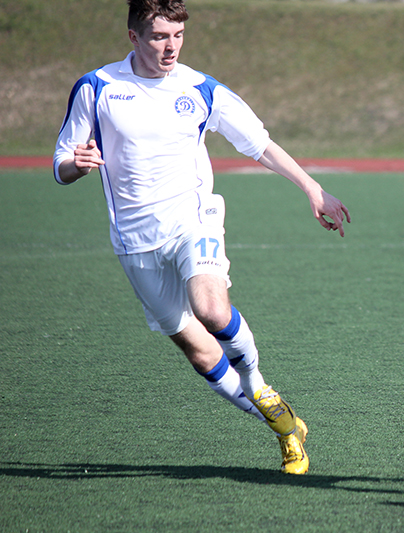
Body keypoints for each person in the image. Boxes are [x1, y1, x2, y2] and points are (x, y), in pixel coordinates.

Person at [53, 0, 351, 475]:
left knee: (211, 308)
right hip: (135, 241)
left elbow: (259, 143)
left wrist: (312, 188)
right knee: (200, 352)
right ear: (133, 36)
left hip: (193, 219)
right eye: (159, 36)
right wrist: (77, 164)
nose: (170, 47)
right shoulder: (98, 87)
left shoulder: (201, 89)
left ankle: (257, 384)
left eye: (178, 35)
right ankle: (283, 426)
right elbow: (61, 163)